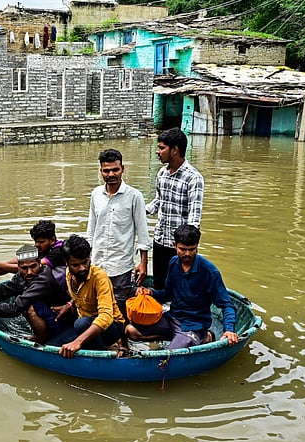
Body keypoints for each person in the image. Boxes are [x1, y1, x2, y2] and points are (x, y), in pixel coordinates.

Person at [128, 224, 237, 350]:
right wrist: (150, 292)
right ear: (175, 245)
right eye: (182, 249)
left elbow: (227, 305)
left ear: (197, 246)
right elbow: (167, 294)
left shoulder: (210, 271)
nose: (187, 254)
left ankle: (203, 336)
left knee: (171, 354)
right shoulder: (174, 263)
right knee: (131, 331)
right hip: (173, 318)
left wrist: (229, 330)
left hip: (194, 325)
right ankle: (185, 338)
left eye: (191, 249)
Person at [0, 244, 74, 343]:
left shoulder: (43, 280)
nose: (29, 272)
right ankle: (41, 334)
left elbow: (15, 308)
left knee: (28, 306)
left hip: (61, 320)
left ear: (39, 264)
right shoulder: (21, 276)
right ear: (18, 267)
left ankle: (43, 339)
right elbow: (1, 293)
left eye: (33, 266)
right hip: (49, 315)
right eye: (24, 268)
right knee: (23, 301)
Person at [87, 148, 150, 318]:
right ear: (101, 171)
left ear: (123, 169)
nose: (111, 174)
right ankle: (102, 341)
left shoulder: (134, 196)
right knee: (98, 304)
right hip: (97, 262)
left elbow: (143, 233)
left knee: (120, 306)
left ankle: (123, 342)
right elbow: (91, 230)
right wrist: (87, 258)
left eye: (115, 169)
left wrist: (143, 263)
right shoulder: (96, 194)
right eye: (106, 171)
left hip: (121, 264)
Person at [47, 234, 125, 358]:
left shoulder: (99, 278)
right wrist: (70, 304)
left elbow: (106, 316)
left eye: (85, 262)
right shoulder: (68, 274)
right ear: (66, 263)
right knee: (52, 346)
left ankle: (101, 356)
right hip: (85, 324)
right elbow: (81, 295)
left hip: (112, 327)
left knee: (80, 324)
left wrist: (77, 342)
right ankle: (92, 344)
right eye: (76, 265)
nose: (82, 268)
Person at [146, 128, 204, 289]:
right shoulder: (162, 173)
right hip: (160, 239)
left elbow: (194, 217)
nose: (157, 152)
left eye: (161, 148)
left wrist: (186, 248)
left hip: (179, 246)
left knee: (181, 286)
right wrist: (136, 209)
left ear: (174, 150)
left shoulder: (193, 178)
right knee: (159, 283)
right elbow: (158, 201)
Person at [0, 220, 68, 285]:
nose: (37, 245)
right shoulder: (41, 249)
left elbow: (31, 268)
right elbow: (13, 263)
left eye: (41, 242)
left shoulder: (58, 251)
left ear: (52, 240)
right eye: (36, 241)